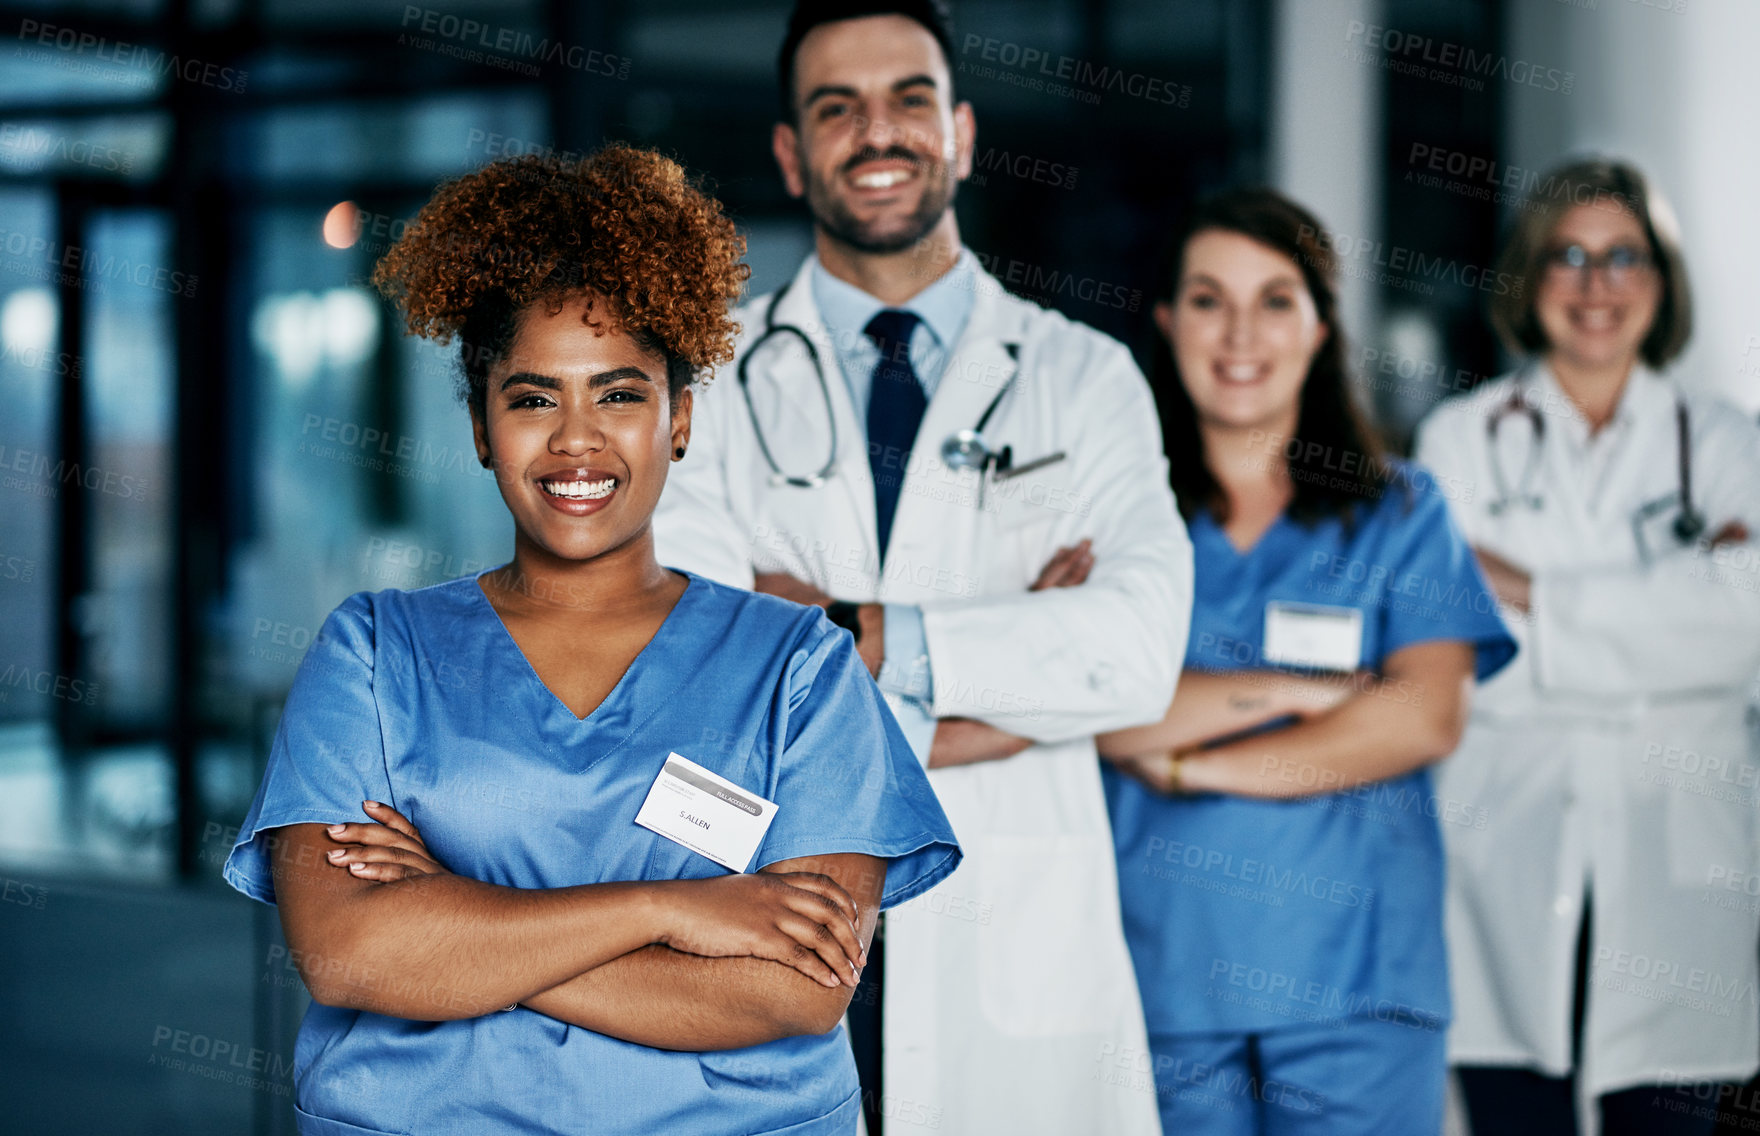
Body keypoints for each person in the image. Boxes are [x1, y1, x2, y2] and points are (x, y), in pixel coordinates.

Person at [220, 145, 960, 1136]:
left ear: (680, 418)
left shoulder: (799, 667)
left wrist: (453, 916)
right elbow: (352, 955)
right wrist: (664, 910)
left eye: (619, 393)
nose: (576, 438)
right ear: (482, 426)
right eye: (532, 397)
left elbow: (795, 984)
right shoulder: (373, 651)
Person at [651, 2, 1190, 1131]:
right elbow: (696, 677)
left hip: (1012, 961)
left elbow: (1135, 654)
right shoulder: (701, 379)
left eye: (907, 99)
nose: (876, 132)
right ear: (793, 155)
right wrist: (1021, 682)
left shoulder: (1082, 378)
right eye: (836, 107)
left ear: (962, 130)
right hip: (767, 925)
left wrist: (849, 633)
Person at [1096, 187, 1517, 1135]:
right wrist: (1298, 691)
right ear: (1168, 321)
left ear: (1323, 326)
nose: (1240, 332)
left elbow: (1423, 716)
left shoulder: (1404, 511)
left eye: (1276, 299)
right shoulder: (1114, 520)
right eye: (1208, 299)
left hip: (1358, 984)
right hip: (1158, 980)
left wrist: (1194, 760)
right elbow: (1094, 707)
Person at [1413, 158, 1760, 1135]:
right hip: (1502, 867)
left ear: (1661, 280)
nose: (1594, 284)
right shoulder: (1459, 437)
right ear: (1526, 277)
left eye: (1622, 257)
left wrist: (1531, 591)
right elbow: (1460, 659)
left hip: (1674, 881)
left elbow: (1743, 634)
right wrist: (1665, 629)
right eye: (1565, 255)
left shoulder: (1730, 445)